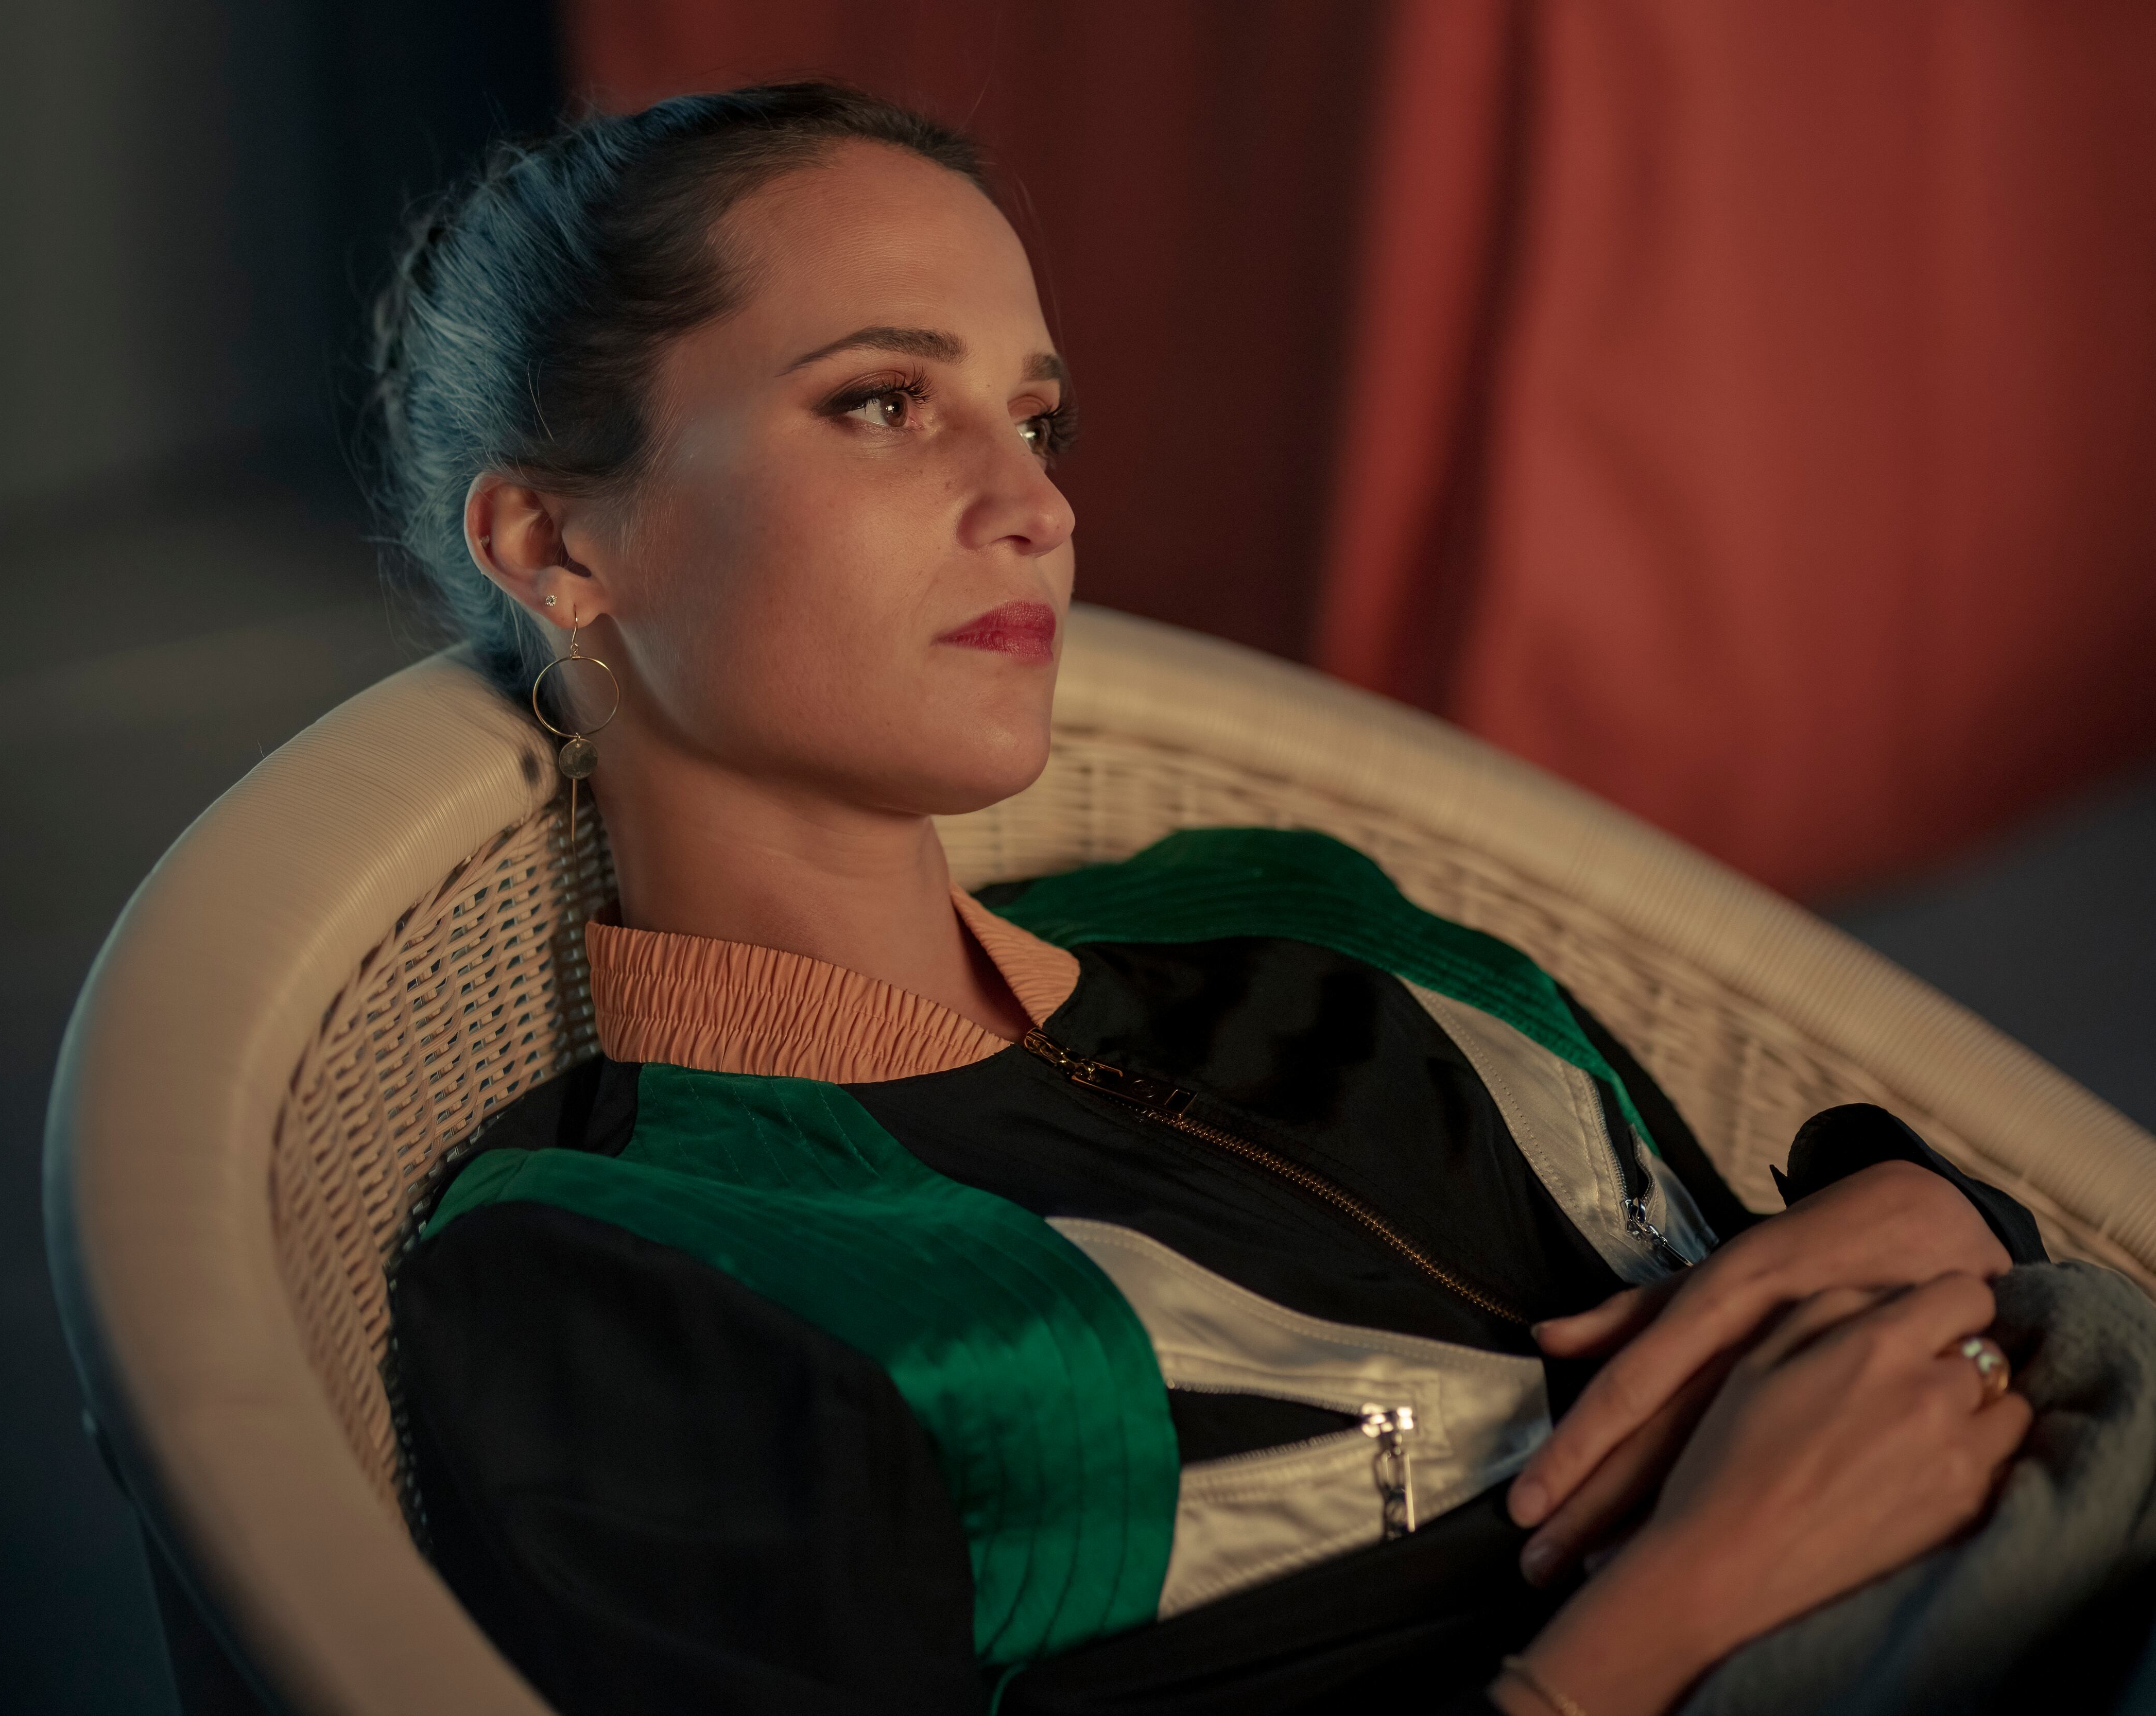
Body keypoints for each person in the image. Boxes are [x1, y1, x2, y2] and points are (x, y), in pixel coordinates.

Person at [370, 84, 2042, 1716]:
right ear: (556, 546)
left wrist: (1954, 1218)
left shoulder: (1294, 916)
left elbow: (1756, 1268)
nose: (1037, 508)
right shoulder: (624, 1272)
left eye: (1038, 420)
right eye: (885, 401)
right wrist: (1675, 1618)